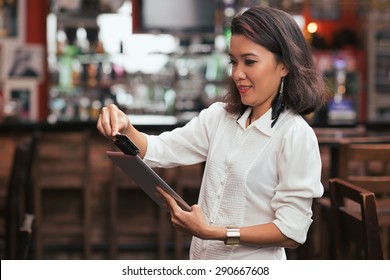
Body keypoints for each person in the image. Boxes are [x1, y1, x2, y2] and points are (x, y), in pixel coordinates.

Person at [97, 6, 328, 260]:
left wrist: (215, 232)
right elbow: (157, 150)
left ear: (284, 65)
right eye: (233, 61)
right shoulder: (219, 117)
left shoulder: (294, 134)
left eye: (249, 61)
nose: (237, 73)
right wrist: (125, 126)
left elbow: (292, 231)